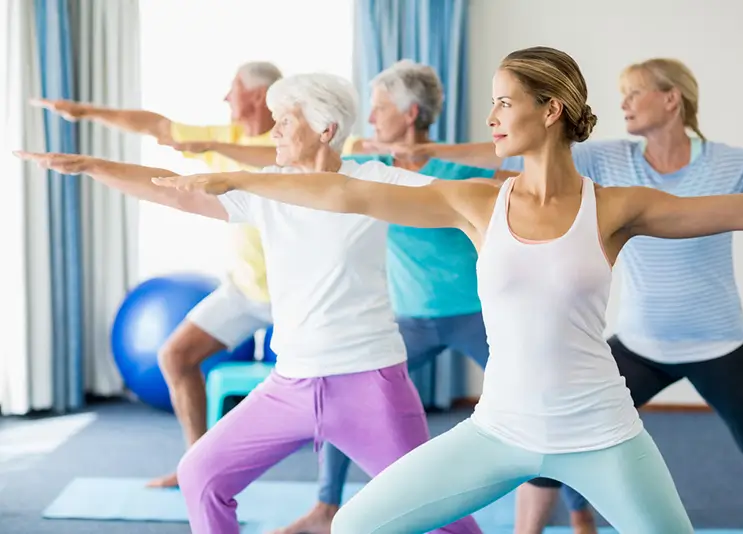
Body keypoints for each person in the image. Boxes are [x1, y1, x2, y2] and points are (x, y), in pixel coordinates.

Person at [148, 44, 743, 533]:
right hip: (499, 429)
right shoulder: (478, 203)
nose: (491, 116)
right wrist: (241, 179)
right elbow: (348, 188)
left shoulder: (615, 205)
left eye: (504, 101)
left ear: (551, 110)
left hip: (601, 431)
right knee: (353, 525)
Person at [16, 72, 483, 534]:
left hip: (368, 383)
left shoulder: (377, 181)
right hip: (289, 385)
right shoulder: (266, 190)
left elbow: (459, 201)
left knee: (440, 516)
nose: (272, 131)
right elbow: (171, 189)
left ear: (325, 129)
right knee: (200, 474)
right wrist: (93, 167)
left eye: (285, 121)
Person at [401, 57, 743, 531]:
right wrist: (426, 149)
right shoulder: (609, 159)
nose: (624, 103)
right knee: (553, 423)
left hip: (721, 345)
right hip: (641, 343)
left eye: (635, 93)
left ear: (671, 99)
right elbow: (502, 152)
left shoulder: (732, 162)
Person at [271, 59, 502, 534]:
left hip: (473, 316)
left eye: (379, 108)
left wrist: (431, 152)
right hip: (410, 321)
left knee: (537, 393)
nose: (372, 119)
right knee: (342, 389)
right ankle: (324, 508)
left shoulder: (455, 168)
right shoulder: (366, 170)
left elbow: (513, 166)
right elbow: (306, 156)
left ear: (410, 113)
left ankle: (578, 513)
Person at [31, 61, 283, 489]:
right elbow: (157, 125)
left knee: (326, 386)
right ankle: (198, 467)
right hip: (243, 290)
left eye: (232, 88)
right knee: (175, 356)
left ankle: (327, 497)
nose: (225, 98)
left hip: (296, 296)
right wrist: (86, 112)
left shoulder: (298, 144)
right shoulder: (223, 139)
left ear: (257, 95)